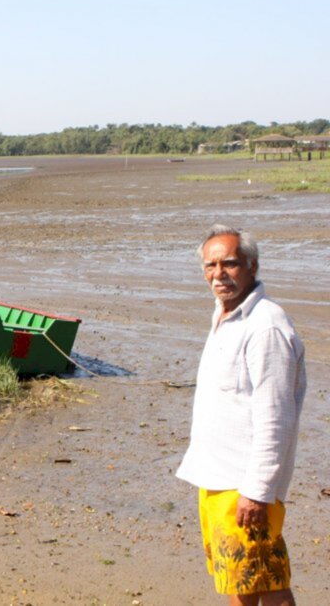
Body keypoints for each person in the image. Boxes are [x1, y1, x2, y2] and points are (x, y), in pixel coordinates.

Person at [176, 225, 306, 606]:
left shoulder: (265, 326)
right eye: (210, 265)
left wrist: (258, 489)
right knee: (244, 581)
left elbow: (276, 418)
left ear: (252, 265)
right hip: (217, 477)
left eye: (230, 264)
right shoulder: (223, 315)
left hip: (244, 485)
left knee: (264, 584)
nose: (219, 274)